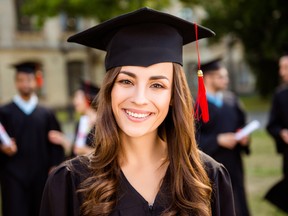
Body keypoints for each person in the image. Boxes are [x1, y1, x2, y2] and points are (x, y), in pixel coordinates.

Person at [40, 7, 236, 216]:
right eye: (126, 81)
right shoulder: (69, 182)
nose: (139, 99)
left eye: (157, 85)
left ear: (173, 97)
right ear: (109, 90)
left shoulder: (207, 177)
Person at [0, 62, 65, 216]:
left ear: (35, 82)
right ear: (16, 82)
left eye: (29, 80)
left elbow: (55, 145)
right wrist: (2, 148)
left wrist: (54, 165)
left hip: (41, 176)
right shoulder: (4, 112)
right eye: (21, 80)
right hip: (13, 176)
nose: (25, 84)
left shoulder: (46, 114)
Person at [197, 58, 251, 216]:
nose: (226, 81)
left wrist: (244, 139)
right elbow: (190, 138)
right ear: (207, 77)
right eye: (221, 77)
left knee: (239, 200)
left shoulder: (231, 100)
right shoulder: (195, 104)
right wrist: (217, 140)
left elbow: (241, 124)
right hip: (210, 164)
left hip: (234, 161)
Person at [48, 80, 99, 157]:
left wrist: (85, 150)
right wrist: (63, 140)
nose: (74, 102)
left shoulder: (102, 122)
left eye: (77, 97)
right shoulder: (81, 122)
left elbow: (107, 153)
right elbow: (75, 151)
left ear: (87, 98)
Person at [264, 52, 288, 213]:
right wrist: (282, 133)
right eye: (281, 68)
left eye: (285, 68)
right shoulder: (280, 95)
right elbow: (272, 125)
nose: (281, 72)